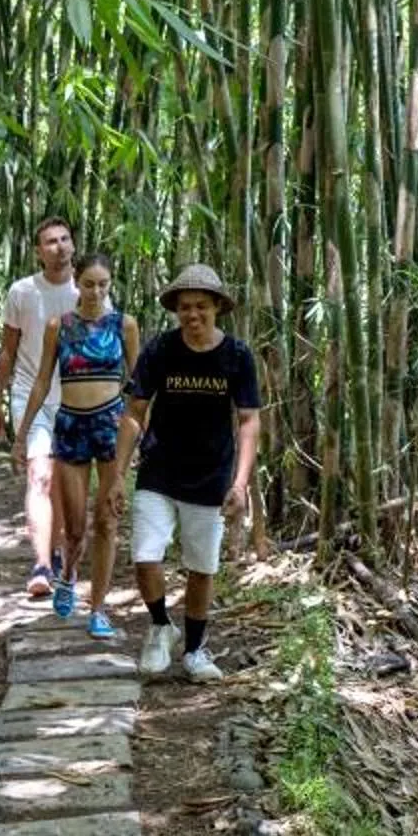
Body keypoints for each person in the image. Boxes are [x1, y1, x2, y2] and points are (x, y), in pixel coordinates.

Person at [122, 262, 262, 683]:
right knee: (145, 555)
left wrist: (239, 483)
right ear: (176, 310)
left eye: (201, 306)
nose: (193, 314)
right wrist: (113, 476)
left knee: (202, 567)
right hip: (160, 469)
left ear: (217, 307)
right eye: (185, 307)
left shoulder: (236, 356)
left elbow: (249, 420)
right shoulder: (161, 350)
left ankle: (196, 650)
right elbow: (135, 411)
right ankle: (161, 626)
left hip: (211, 476)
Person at [10, 252, 131, 638]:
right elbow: (43, 381)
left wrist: (140, 432)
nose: (96, 291)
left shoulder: (124, 325)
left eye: (103, 284)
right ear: (76, 283)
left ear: (110, 285)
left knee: (107, 520)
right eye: (89, 283)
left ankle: (98, 608)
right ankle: (66, 575)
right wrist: (22, 432)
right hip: (70, 426)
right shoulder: (57, 326)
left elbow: (139, 384)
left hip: (110, 426)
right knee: (76, 527)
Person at [0, 216, 76, 599]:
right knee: (39, 474)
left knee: (60, 481)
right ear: (38, 252)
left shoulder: (88, 290)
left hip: (74, 397)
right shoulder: (22, 292)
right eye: (50, 242)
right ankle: (41, 564)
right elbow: (8, 351)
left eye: (64, 239)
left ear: (72, 244)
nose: (59, 246)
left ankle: (56, 552)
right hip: (29, 394)